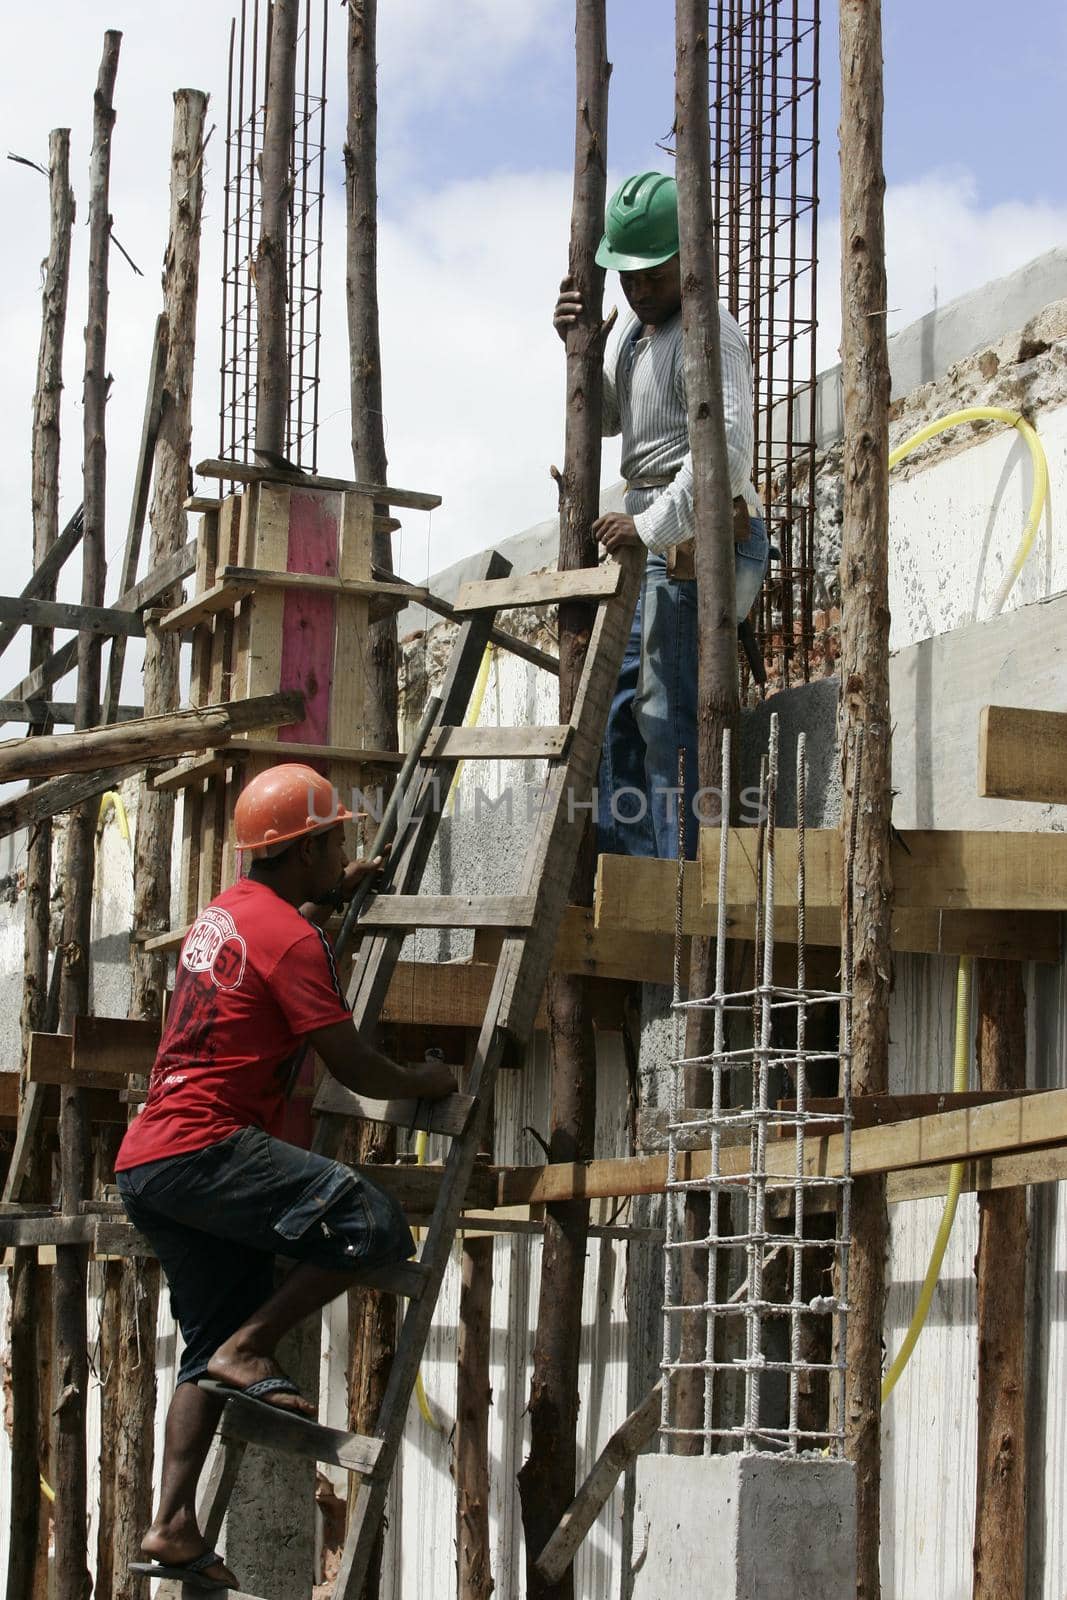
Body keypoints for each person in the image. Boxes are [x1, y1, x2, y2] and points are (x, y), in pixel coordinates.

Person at [116, 762, 457, 1593]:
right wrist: (430, 1080)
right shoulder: (294, 940)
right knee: (370, 1224)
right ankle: (250, 1346)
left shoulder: (228, 915)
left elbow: (277, 938)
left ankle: (171, 1524)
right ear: (304, 850)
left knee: (203, 1349)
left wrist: (328, 896)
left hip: (150, 1161)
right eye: (332, 842)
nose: (341, 849)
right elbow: (355, 1066)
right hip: (206, 1147)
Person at [553, 170, 769, 860]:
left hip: (696, 537)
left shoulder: (711, 335)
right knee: (616, 719)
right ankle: (632, 882)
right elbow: (615, 418)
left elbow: (727, 455)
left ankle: (677, 892)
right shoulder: (637, 338)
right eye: (628, 277)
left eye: (653, 273)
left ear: (688, 257)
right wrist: (579, 348)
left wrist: (648, 528)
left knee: (665, 713)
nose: (639, 288)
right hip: (648, 538)